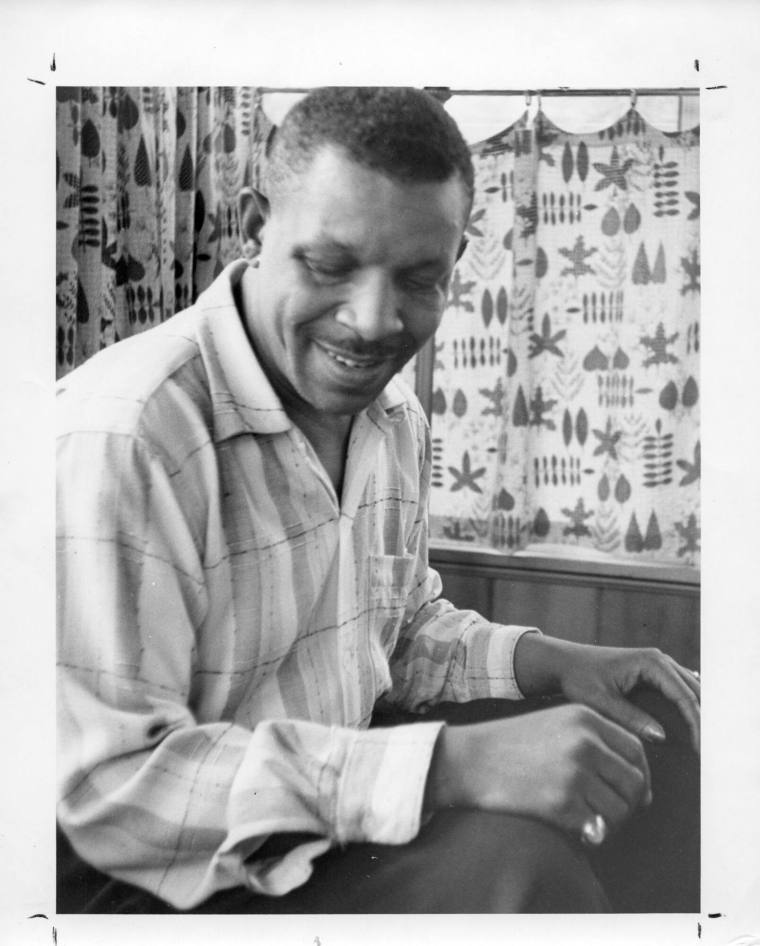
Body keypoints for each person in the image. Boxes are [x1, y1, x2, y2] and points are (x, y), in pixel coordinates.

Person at [56, 86, 700, 914]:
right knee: (522, 866)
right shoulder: (129, 432)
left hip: (337, 799)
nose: (372, 321)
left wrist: (556, 662)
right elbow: (110, 790)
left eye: (419, 278)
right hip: (155, 871)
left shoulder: (393, 418)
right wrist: (449, 768)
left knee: (658, 744)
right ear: (255, 229)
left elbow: (396, 634)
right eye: (331, 266)